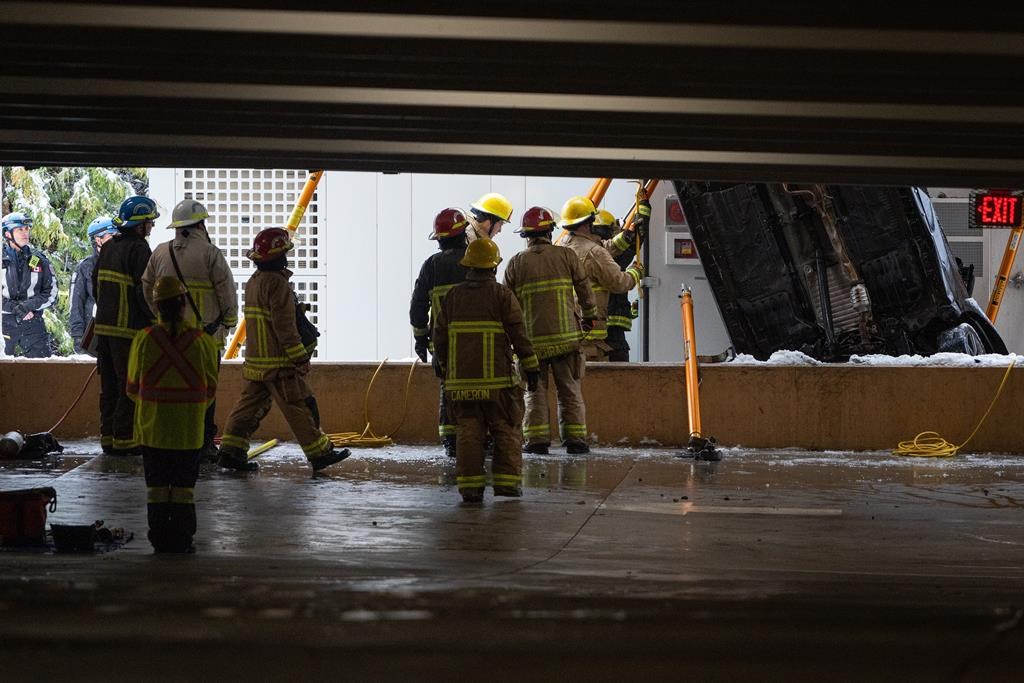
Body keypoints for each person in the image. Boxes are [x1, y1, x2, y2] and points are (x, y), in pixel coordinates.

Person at [217, 228, 349, 473]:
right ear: (279, 256)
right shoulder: (277, 284)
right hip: (279, 364)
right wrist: (299, 357)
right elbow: (284, 326)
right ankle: (319, 453)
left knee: (247, 408)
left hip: (256, 363)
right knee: (297, 407)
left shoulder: (254, 282)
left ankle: (230, 451)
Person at [433, 238, 539, 503]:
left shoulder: (453, 297)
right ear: (493, 268)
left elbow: (440, 338)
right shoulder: (502, 295)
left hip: (461, 384)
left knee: (468, 432)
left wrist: (443, 366)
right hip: (497, 382)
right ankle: (506, 485)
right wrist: (531, 365)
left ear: (468, 266)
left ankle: (470, 488)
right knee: (505, 429)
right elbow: (519, 334)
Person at [126, 276, 220, 553]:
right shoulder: (203, 342)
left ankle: (159, 538)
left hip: (152, 429)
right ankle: (182, 539)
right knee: (183, 489)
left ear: (156, 307)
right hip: (188, 432)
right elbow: (210, 389)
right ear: (183, 304)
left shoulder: (144, 340)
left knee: (156, 488)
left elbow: (132, 389)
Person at [142, 199, 238, 461]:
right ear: (200, 224)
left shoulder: (160, 253)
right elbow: (227, 292)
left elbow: (147, 287)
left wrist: (160, 317)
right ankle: (203, 444)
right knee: (204, 394)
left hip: (168, 339)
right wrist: (229, 322)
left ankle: (169, 441)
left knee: (169, 390)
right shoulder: (210, 253)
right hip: (204, 341)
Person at [504, 206, 596, 455]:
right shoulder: (566, 256)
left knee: (534, 392)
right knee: (570, 391)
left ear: (526, 235)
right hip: (567, 342)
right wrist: (589, 317)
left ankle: (536, 441)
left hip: (532, 344)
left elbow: (507, 307)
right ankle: (575, 440)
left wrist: (512, 341)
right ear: (550, 231)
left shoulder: (515, 264)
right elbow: (586, 291)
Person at [93, 196, 158, 454]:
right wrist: (154, 320)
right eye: (149, 223)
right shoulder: (140, 249)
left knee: (108, 386)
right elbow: (144, 292)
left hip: (104, 330)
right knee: (128, 386)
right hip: (127, 331)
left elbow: (95, 283)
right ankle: (125, 441)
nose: (151, 227)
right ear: (139, 225)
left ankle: (108, 438)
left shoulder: (109, 246)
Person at [409, 207, 469, 457]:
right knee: (484, 389)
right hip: (479, 342)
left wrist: (421, 338)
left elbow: (419, 305)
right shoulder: (477, 259)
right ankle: (481, 437)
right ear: (464, 234)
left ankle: (451, 440)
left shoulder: (432, 265)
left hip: (443, 344)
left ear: (441, 239)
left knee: (448, 389)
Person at [560, 196, 644, 362]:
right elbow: (620, 283)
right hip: (590, 339)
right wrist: (636, 272)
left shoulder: (562, 246)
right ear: (587, 223)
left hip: (567, 332)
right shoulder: (594, 253)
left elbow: (602, 247)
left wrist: (627, 236)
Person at [1, 212, 56, 357]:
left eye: (27, 229)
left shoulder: (39, 260)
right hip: (4, 325)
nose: (26, 233)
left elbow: (51, 293)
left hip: (33, 324)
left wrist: (27, 306)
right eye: (20, 229)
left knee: (41, 372)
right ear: (7, 234)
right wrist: (16, 308)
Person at [592, 209, 636, 363]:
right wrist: (636, 272)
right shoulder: (600, 255)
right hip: (609, 332)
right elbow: (620, 282)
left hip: (593, 330)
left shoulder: (581, 251)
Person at [70, 216, 118, 354]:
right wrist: (78, 335)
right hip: (92, 333)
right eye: (112, 235)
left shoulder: (122, 262)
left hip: (117, 332)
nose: (117, 239)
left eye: (117, 235)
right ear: (98, 240)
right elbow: (76, 302)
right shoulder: (85, 267)